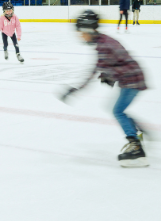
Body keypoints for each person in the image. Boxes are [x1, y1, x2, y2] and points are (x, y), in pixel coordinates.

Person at [61, 10, 148, 167]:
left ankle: (136, 148)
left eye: (81, 32)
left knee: (118, 111)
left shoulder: (103, 46)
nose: (80, 36)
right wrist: (110, 75)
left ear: (88, 29)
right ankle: (139, 131)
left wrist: (75, 90)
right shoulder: (104, 41)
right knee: (119, 110)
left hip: (132, 80)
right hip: (132, 77)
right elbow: (118, 61)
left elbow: (94, 72)